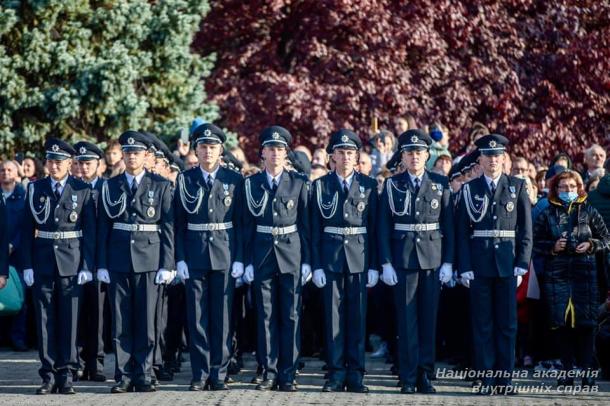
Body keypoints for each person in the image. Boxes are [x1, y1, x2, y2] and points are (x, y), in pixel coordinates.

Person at [96, 131, 175, 393]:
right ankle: (124, 373)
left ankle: (145, 372)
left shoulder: (160, 185)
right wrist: (102, 263)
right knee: (121, 321)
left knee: (146, 320)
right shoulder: (110, 185)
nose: (132, 156)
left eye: (137, 153)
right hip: (118, 259)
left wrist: (168, 264)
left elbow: (168, 228)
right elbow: (103, 228)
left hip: (149, 258)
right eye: (127, 152)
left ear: (146, 156)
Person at [377, 129, 454, 394]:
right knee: (406, 321)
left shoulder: (439, 183)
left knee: (428, 320)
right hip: (403, 259)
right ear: (403, 156)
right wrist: (385, 262)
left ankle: (425, 374)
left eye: (419, 153)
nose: (414, 157)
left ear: (427, 155)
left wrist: (448, 262)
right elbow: (384, 227)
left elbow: (449, 226)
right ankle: (408, 376)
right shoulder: (392, 184)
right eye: (409, 153)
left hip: (432, 260)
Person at [456, 134, 532, 395]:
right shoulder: (469, 189)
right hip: (479, 265)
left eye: (497, 156)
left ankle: (505, 380)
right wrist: (464, 266)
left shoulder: (517, 186)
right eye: (488, 156)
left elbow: (525, 230)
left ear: (503, 159)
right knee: (482, 324)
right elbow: (462, 233)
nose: (492, 160)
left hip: (507, 265)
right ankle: (486, 379)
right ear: (480, 160)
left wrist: (522, 263)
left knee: (507, 325)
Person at [21, 138, 96, 395]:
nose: (53, 166)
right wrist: (27, 265)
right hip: (42, 261)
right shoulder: (35, 189)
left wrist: (87, 264)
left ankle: (67, 373)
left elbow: (90, 232)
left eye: (59, 161)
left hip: (71, 262)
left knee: (70, 319)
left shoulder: (82, 189)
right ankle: (48, 374)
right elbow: (25, 229)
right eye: (50, 161)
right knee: (44, 320)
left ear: (69, 163)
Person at [174, 123, 245, 391]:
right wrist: (179, 258)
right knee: (197, 317)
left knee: (223, 318)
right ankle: (200, 372)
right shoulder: (185, 179)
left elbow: (241, 223)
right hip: (194, 255)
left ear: (221, 150)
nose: (207, 151)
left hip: (225, 254)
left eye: (212, 147)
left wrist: (239, 258)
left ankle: (219, 372)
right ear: (196, 150)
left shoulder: (234, 180)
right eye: (203, 147)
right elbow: (178, 223)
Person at [241, 126, 311, 392]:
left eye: (280, 149)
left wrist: (307, 261)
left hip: (292, 254)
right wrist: (245, 260)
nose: (275, 154)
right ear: (262, 153)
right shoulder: (251, 184)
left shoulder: (299, 183)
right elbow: (245, 225)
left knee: (291, 315)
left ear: (286, 153)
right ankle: (268, 371)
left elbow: (306, 225)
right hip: (261, 254)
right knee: (266, 315)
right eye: (270, 149)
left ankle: (288, 373)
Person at [310, 129, 378, 393]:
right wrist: (315, 265)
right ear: (332, 157)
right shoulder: (320, 186)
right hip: (330, 259)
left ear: (357, 156)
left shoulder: (370, 186)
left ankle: (356, 374)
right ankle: (336, 373)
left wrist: (375, 264)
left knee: (357, 319)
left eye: (351, 152)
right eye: (341, 152)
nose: (346, 157)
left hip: (360, 259)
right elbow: (315, 229)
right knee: (333, 319)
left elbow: (375, 229)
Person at [532, 170, 609, 387]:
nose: (568, 190)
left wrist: (592, 244)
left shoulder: (589, 211)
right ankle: (566, 371)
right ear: (556, 189)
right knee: (562, 325)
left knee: (586, 325)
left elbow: (606, 239)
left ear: (579, 188)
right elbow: (535, 243)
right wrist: (553, 247)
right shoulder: (547, 213)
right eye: (564, 187)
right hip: (557, 275)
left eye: (572, 187)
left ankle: (586, 371)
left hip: (585, 274)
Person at [73, 141, 107, 382]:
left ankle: (96, 364)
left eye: (88, 163)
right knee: (75, 313)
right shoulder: (72, 188)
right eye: (80, 163)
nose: (83, 168)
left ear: (100, 165)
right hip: (74, 259)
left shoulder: (107, 188)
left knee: (97, 316)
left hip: (100, 260)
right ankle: (76, 362)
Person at [0, 160, 28, 350]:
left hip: (17, 255)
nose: (5, 173)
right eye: (2, 170)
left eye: (9, 169)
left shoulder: (23, 195)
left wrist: (13, 244)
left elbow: (26, 225)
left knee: (19, 297)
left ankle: (18, 338)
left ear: (16, 173)